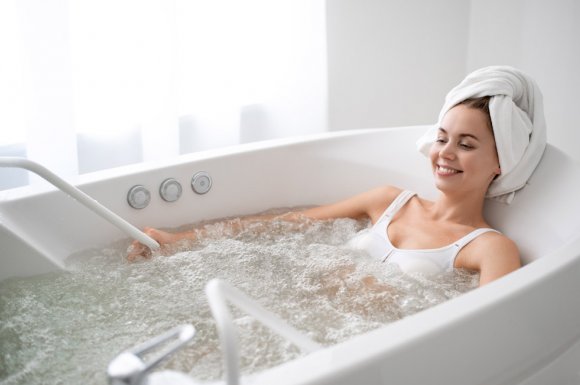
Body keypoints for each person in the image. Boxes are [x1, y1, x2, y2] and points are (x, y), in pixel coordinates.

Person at [128, 66, 547, 287]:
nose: (444, 153)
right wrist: (182, 241)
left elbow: (485, 330)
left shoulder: (491, 248)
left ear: (500, 162)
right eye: (441, 138)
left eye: (466, 144)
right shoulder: (389, 201)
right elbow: (287, 225)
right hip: (292, 300)